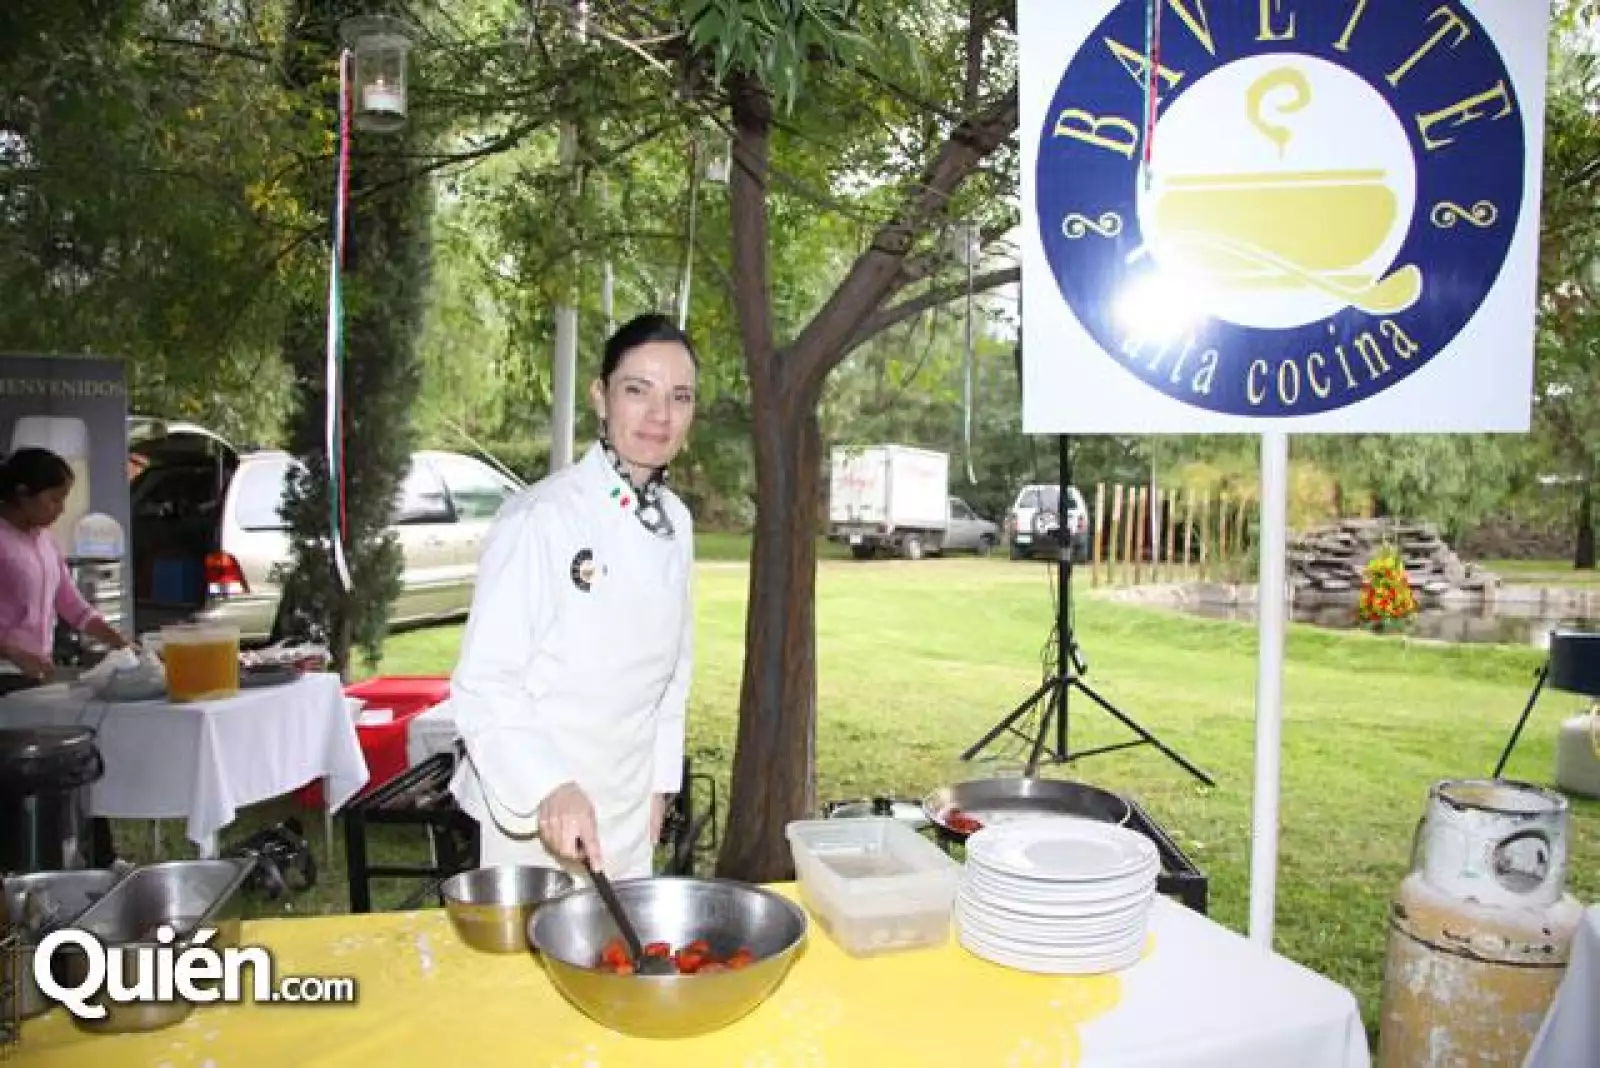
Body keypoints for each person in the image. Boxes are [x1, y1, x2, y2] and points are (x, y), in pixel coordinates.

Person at [447, 313, 698, 881]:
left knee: (620, 960)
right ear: (601, 398)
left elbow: (672, 672)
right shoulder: (538, 518)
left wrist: (660, 784)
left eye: (679, 397)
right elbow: (485, 683)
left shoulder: (677, 523)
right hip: (538, 810)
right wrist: (549, 786)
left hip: (629, 807)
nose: (660, 415)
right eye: (638, 390)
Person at [0, 447, 132, 697]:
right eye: (54, 499)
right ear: (23, 494)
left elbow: (72, 605)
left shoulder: (46, 541)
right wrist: (13, 652)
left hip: (34, 671)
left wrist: (120, 643)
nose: (61, 509)